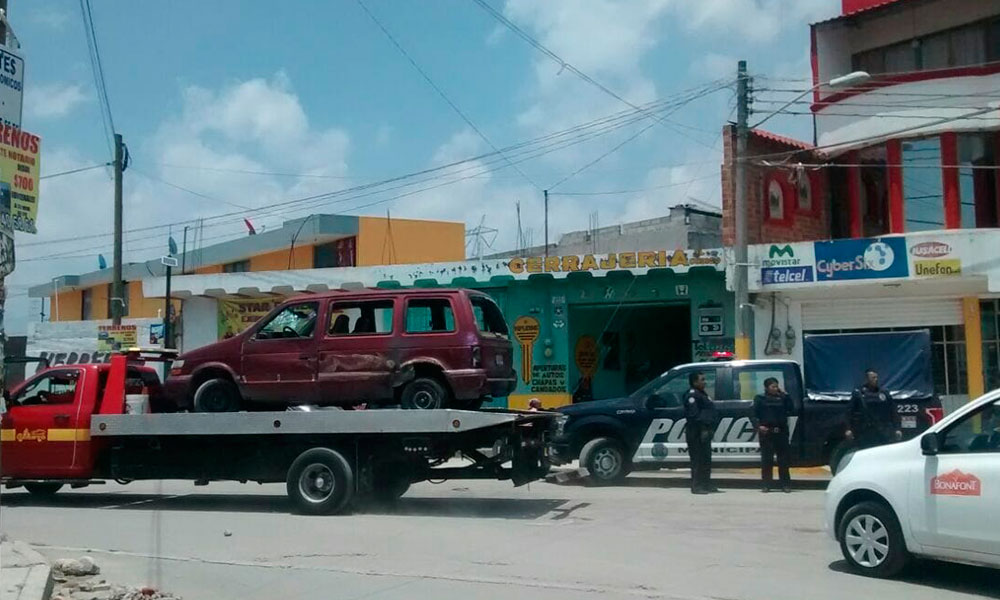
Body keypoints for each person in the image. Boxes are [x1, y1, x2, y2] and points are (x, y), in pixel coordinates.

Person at [753, 377, 793, 493]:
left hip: (781, 432)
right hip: (767, 433)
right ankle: (766, 485)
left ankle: (785, 484)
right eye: (773, 386)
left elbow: (791, 409)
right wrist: (759, 426)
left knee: (783, 460)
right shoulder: (760, 399)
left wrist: (787, 396)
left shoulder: (782, 398)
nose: (776, 388)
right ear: (766, 387)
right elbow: (753, 414)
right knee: (767, 460)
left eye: (776, 386)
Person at [846, 368, 901, 450]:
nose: (876, 380)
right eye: (873, 378)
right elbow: (849, 412)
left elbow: (892, 411)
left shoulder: (883, 393)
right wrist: (848, 429)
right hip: (865, 431)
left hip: (882, 431)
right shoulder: (859, 393)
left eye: (876, 377)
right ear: (867, 379)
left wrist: (897, 429)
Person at [683, 371, 718, 494]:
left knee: (706, 459)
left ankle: (706, 484)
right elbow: (694, 415)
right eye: (702, 379)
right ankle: (696, 486)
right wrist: (703, 428)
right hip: (696, 431)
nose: (705, 382)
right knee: (697, 460)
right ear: (694, 382)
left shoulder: (702, 394)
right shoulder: (692, 395)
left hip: (705, 431)